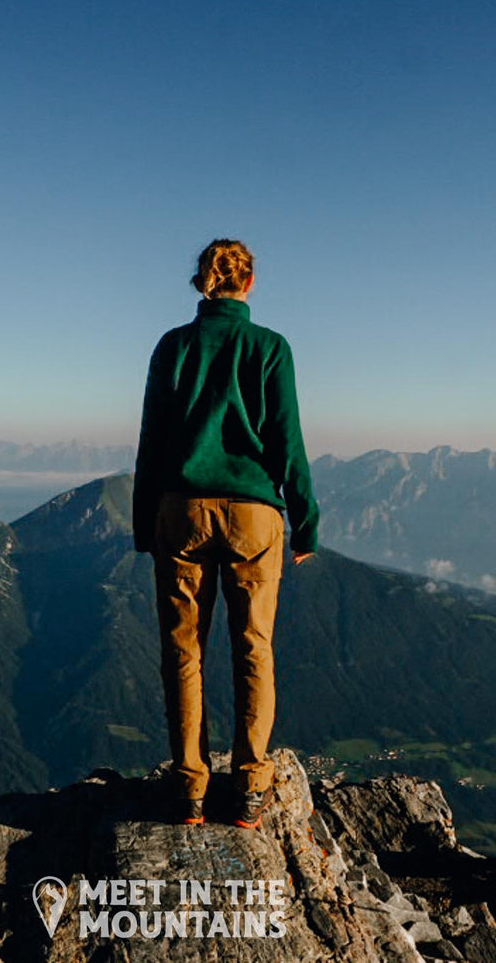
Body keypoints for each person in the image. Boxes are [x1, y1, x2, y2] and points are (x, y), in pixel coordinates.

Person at [133, 238, 320, 829]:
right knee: (253, 646)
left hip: (180, 511)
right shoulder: (270, 348)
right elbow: (288, 440)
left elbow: (152, 442)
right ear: (249, 284)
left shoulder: (172, 346)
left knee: (182, 650)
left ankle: (189, 788)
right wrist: (306, 520)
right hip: (253, 516)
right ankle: (249, 788)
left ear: (202, 283)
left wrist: (145, 522)